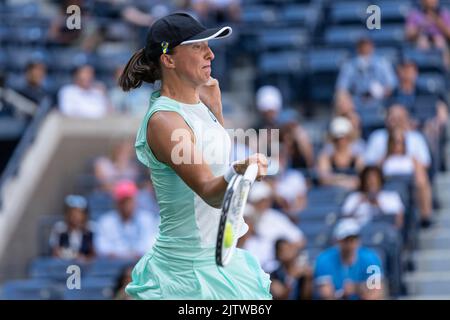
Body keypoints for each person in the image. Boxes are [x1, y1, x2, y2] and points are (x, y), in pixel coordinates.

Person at [118, 13, 271, 299]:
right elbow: (210, 191)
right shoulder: (164, 121)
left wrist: (217, 112)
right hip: (185, 275)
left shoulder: (203, 103)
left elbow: (214, 163)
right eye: (198, 46)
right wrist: (242, 169)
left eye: (208, 46)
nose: (210, 53)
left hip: (219, 265)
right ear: (169, 60)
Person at [314, 219, 384, 300]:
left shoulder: (371, 258)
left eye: (354, 238)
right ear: (338, 241)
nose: (350, 243)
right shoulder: (324, 259)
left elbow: (376, 292)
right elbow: (326, 294)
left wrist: (356, 288)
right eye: (346, 239)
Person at [94, 180, 159, 260]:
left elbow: (151, 243)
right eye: (123, 201)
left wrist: (133, 254)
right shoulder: (106, 221)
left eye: (129, 200)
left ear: (135, 201)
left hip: (141, 263)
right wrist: (124, 255)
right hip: (115, 265)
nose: (126, 205)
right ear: (116, 203)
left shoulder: (147, 218)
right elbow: (101, 247)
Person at [381, 130, 433, 227]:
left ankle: (424, 215)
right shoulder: (384, 160)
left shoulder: (412, 159)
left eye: (399, 142)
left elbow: (420, 179)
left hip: (408, 189)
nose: (397, 145)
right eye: (394, 142)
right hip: (389, 192)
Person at [336, 37, 397, 108]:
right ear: (357, 48)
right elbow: (341, 88)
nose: (365, 48)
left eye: (367, 45)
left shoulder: (382, 63)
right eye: (362, 46)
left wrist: (380, 92)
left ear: (372, 47)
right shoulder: (349, 65)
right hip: (357, 103)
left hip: (381, 102)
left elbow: (391, 85)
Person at [365, 104, 431, 168]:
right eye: (393, 119)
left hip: (410, 175)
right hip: (383, 175)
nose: (396, 123)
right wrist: (385, 159)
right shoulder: (377, 136)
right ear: (387, 120)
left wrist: (408, 162)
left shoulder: (416, 138)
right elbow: (368, 163)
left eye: (399, 119)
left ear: (406, 120)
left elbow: (426, 163)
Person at [317, 117, 364, 190]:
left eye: (343, 137)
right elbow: (324, 180)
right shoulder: (325, 156)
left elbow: (362, 178)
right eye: (337, 138)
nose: (341, 141)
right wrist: (347, 181)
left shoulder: (357, 156)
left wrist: (336, 179)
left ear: (349, 137)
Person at [49, 195, 95, 261]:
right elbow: (55, 252)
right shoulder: (59, 228)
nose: (76, 216)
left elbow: (95, 255)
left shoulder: (91, 229)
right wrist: (71, 256)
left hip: (86, 268)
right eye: (73, 212)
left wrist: (83, 259)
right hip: (63, 266)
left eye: (79, 212)